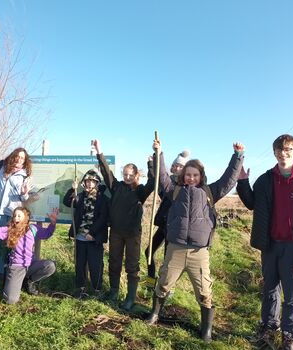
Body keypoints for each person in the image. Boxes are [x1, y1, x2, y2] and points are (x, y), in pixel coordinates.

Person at [146, 140, 244, 344]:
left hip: (199, 252)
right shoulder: (174, 190)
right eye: (188, 175)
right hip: (176, 249)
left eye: (195, 175)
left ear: (201, 176)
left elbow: (228, 180)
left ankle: (206, 330)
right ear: (183, 176)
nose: (191, 178)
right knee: (163, 283)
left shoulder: (210, 192)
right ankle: (154, 315)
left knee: (204, 291)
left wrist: (237, 156)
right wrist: (158, 153)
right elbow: (162, 176)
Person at [236, 134, 293, 350]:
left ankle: (290, 336)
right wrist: (242, 182)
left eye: (288, 149)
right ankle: (268, 327)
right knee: (269, 290)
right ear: (275, 152)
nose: (283, 153)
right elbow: (251, 203)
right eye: (279, 149)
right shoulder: (266, 179)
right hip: (270, 245)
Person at [93, 139, 154, 311]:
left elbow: (153, 181)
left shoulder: (140, 191)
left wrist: (151, 163)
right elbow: (106, 171)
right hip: (116, 232)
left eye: (130, 174)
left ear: (136, 175)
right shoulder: (116, 186)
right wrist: (99, 151)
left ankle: (130, 297)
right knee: (114, 262)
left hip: (132, 234)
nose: (127, 177)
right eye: (125, 174)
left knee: (132, 265)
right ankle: (113, 291)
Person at [0, 207, 58, 304]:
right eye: (15, 215)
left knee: (50, 266)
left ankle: (29, 281)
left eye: (19, 216)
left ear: (26, 218)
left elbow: (46, 234)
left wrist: (53, 223)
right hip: (16, 267)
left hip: (30, 264)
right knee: (10, 300)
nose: (16, 218)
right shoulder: (10, 231)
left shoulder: (33, 229)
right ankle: (11, 279)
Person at [0, 130, 32, 277]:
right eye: (17, 156)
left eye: (22, 158)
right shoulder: (1, 166)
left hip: (12, 215)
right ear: (13, 156)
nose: (19, 159)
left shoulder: (24, 176)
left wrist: (24, 192)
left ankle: (1, 271)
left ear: (24, 161)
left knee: (6, 244)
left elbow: (24, 199)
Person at [62, 169, 109, 298]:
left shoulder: (102, 199)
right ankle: (80, 288)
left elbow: (103, 218)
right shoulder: (80, 196)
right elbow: (67, 202)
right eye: (87, 181)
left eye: (92, 181)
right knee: (80, 264)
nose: (89, 184)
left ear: (97, 183)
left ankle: (97, 289)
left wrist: (92, 233)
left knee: (96, 264)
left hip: (94, 239)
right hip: (80, 238)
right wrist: (72, 190)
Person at [144, 149, 190, 281]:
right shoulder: (168, 182)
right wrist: (151, 165)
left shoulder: (185, 187)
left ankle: (167, 288)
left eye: (180, 166)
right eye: (175, 165)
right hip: (164, 225)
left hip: (174, 229)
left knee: (168, 260)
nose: (176, 168)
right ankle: (151, 279)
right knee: (148, 252)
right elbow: (156, 181)